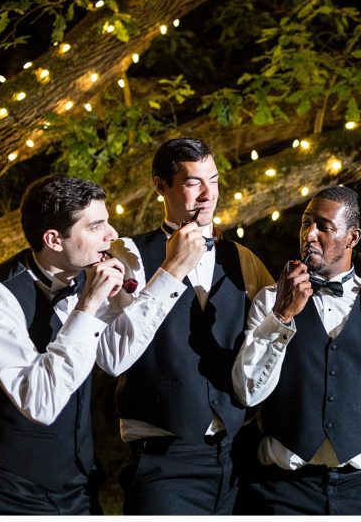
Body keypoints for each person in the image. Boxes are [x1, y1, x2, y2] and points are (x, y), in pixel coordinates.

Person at [104, 137, 275, 514]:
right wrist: (171, 268)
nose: (207, 194)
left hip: (233, 459)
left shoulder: (243, 260)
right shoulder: (129, 256)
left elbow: (281, 325)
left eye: (212, 181)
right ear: (160, 185)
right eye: (192, 182)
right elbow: (112, 354)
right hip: (162, 460)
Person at [232, 185, 361, 515]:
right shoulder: (270, 300)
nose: (309, 235)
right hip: (283, 489)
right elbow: (247, 391)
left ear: (352, 237)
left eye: (324, 226)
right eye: (305, 223)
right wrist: (282, 316)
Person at [0, 174, 125, 514]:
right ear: (53, 240)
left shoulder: (86, 278)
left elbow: (117, 360)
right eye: (96, 226)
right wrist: (88, 306)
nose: (112, 234)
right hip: (2, 488)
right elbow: (39, 403)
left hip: (76, 483)